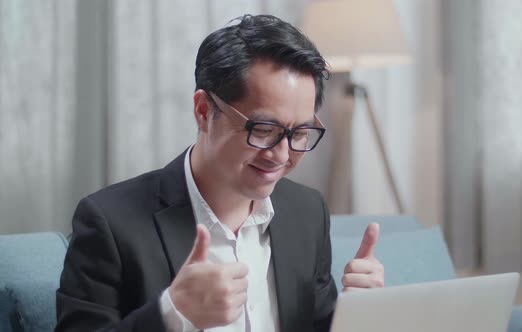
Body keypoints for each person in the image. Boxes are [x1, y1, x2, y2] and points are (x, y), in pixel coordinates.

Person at [56, 14, 384, 332]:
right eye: (264, 129)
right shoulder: (110, 222)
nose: (281, 156)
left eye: (299, 133)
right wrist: (173, 314)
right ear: (203, 111)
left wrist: (358, 315)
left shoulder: (307, 212)